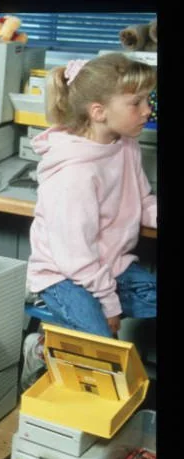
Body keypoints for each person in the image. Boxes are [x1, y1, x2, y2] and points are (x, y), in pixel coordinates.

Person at [21, 54, 157, 388]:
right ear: (98, 112)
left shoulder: (125, 145)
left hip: (109, 264)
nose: (148, 110)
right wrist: (109, 305)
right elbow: (76, 258)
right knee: (105, 356)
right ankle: (38, 350)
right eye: (136, 103)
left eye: (148, 100)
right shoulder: (75, 174)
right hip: (64, 275)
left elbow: (143, 202)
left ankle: (73, 333)